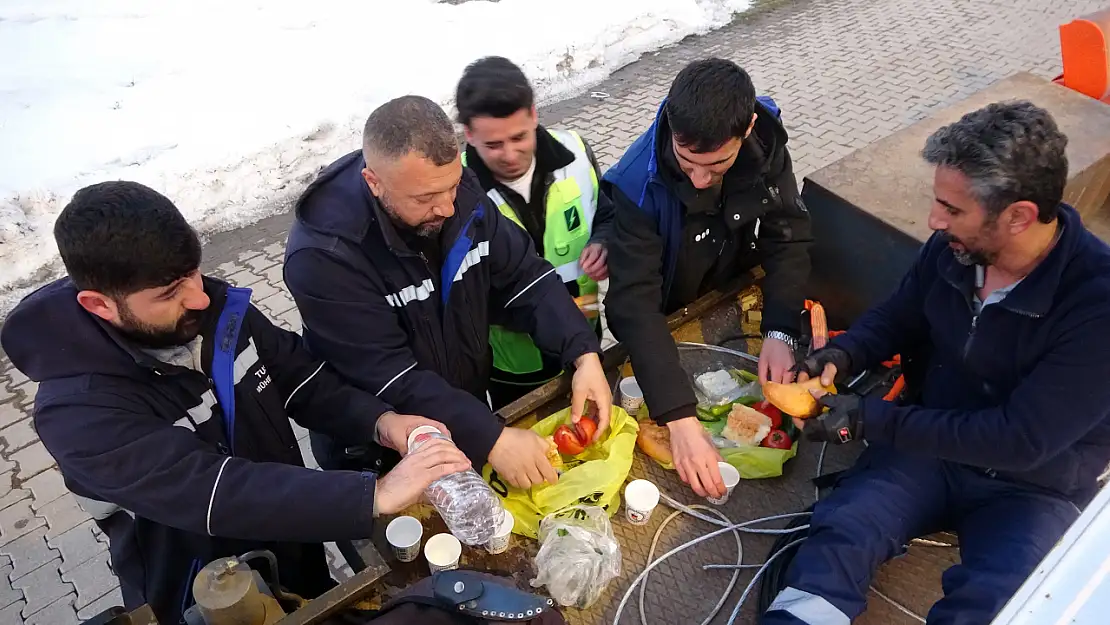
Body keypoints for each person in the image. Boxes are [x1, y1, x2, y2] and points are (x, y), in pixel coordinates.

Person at [0, 182, 472, 625]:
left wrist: (382, 422)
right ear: (100, 305)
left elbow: (300, 378)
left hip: (292, 538)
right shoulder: (77, 411)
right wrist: (373, 494)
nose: (199, 297)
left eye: (193, 272)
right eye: (169, 293)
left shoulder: (219, 313)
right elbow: (211, 490)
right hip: (203, 591)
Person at [763, 101, 1110, 624]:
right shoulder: (955, 251)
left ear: (1018, 216)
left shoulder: (1097, 305)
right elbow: (901, 314)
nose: (933, 220)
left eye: (953, 210)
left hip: (1035, 484)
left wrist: (867, 419)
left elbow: (1019, 439)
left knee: (1005, 603)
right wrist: (843, 353)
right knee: (842, 531)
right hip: (926, 448)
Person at [283, 95, 612, 491]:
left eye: (452, 186)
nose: (446, 208)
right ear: (374, 182)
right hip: (381, 451)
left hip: (461, 412)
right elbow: (391, 376)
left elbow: (524, 277)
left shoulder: (460, 198)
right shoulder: (325, 257)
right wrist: (490, 438)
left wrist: (582, 352)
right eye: (424, 199)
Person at [602, 58, 813, 499]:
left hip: (729, 278)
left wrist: (780, 327)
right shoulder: (634, 182)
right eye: (687, 162)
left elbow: (787, 235)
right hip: (666, 304)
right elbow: (631, 304)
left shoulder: (766, 143)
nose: (699, 178)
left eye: (717, 165)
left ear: (748, 127)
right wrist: (679, 418)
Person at [454, 56, 614, 408]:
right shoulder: (454, 191)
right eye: (493, 145)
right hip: (513, 368)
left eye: (519, 137)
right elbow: (460, 291)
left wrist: (603, 241)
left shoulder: (577, 152)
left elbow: (606, 213)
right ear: (468, 133)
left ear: (534, 114)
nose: (510, 155)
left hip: (585, 342)